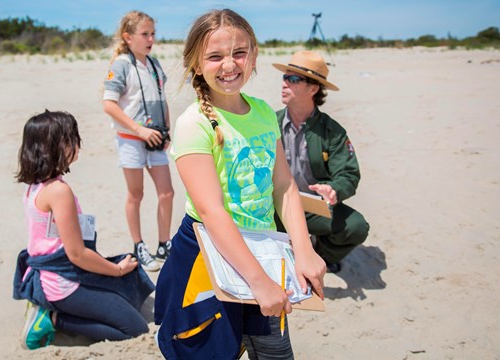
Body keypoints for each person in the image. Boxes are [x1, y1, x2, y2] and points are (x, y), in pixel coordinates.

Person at [153, 9, 326, 359]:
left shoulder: (263, 112)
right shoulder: (195, 124)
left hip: (265, 251)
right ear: (197, 64)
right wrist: (258, 282)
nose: (229, 65)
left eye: (239, 53)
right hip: (209, 259)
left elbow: (284, 187)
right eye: (215, 56)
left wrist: (303, 249)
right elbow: (211, 210)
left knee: (275, 352)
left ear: (254, 55)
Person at [12, 110, 154, 350]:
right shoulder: (58, 191)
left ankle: (56, 311)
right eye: (72, 139)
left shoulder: (35, 187)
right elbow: (76, 254)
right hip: (61, 282)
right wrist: (117, 270)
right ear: (57, 147)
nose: (78, 144)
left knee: (124, 298)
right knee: (135, 328)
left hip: (49, 274)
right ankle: (54, 319)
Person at [271, 50, 370, 273]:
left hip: (316, 208)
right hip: (276, 205)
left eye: (293, 79)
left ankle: (322, 253)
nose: (285, 83)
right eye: (284, 77)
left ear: (313, 88)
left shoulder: (332, 132)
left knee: (356, 227)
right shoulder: (269, 123)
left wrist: (334, 190)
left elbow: (348, 175)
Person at [102, 11, 174, 272]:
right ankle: (139, 245)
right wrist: (139, 130)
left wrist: (167, 130)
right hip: (131, 139)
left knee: (167, 193)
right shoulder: (121, 64)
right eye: (145, 34)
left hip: (155, 139)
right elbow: (108, 104)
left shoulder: (154, 65)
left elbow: (162, 100)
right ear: (128, 37)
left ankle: (164, 244)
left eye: (153, 33)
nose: (151, 39)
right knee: (137, 194)